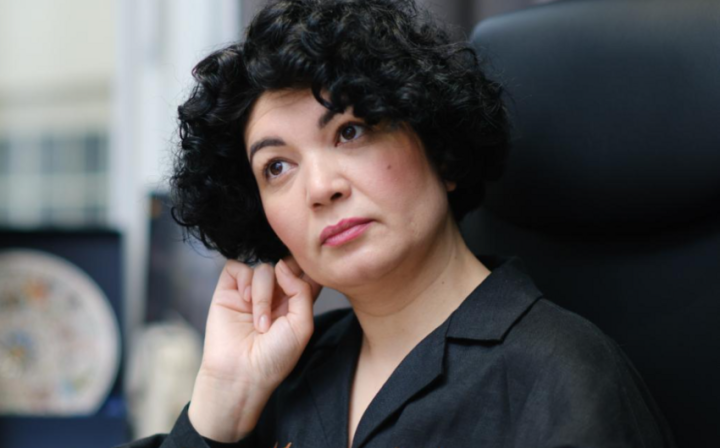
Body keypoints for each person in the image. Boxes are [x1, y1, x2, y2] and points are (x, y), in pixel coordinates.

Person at [121, 0, 676, 447]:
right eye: (278, 167)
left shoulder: (562, 377)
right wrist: (222, 402)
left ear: (441, 151)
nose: (320, 188)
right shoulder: (279, 380)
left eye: (350, 131)